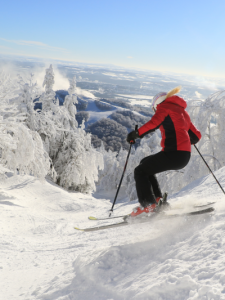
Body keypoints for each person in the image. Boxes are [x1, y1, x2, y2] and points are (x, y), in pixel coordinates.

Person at [126, 86, 201, 217]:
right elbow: (196, 136)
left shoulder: (164, 108)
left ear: (156, 104)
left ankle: (148, 205)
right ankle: (157, 200)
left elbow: (153, 123)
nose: (155, 111)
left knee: (140, 171)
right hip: (183, 156)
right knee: (145, 163)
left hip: (173, 153)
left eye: (154, 109)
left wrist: (136, 134)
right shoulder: (182, 111)